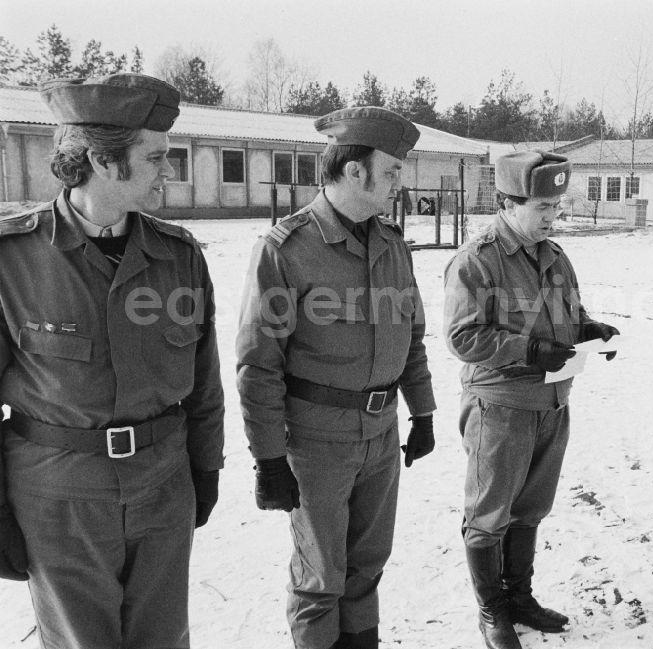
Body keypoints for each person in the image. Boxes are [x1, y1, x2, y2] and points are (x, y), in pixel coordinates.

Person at [0, 73, 224, 648]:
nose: (167, 172)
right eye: (156, 158)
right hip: (59, 499)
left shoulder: (178, 257)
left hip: (162, 486)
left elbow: (205, 383)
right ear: (103, 161)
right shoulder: (12, 258)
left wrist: (205, 468)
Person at [236, 106, 436, 649]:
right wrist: (269, 457)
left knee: (367, 566)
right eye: (392, 171)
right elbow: (258, 366)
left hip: (381, 435)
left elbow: (411, 337)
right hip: (318, 441)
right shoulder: (285, 250)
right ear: (354, 171)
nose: (399, 182)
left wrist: (424, 412)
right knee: (321, 576)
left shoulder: (393, 244)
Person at [443, 150, 619, 649]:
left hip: (552, 403)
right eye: (541, 206)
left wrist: (591, 330)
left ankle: (519, 596)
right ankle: (491, 610)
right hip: (500, 406)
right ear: (507, 202)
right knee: (489, 512)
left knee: (531, 508)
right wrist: (531, 350)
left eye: (555, 206)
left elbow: (570, 311)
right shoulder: (478, 260)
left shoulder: (556, 257)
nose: (551, 217)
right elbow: (462, 337)